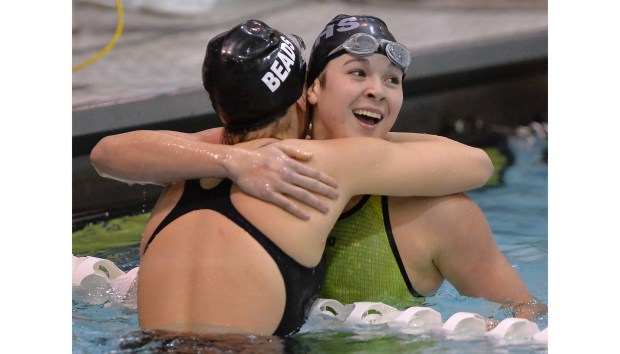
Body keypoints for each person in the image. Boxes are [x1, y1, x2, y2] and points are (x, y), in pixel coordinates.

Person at [91, 15, 546, 325]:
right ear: (309, 91)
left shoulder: (438, 214)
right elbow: (476, 162)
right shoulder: (259, 158)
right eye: (357, 73)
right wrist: (235, 160)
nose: (377, 92)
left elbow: (525, 313)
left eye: (392, 80)